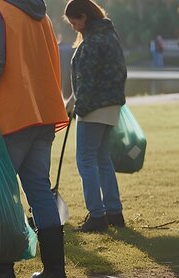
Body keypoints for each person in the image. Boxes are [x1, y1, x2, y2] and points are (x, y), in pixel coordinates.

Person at [0, 0, 69, 278]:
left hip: (14, 114)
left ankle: (2, 269)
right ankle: (55, 271)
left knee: (1, 191)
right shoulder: (42, 15)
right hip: (44, 112)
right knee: (40, 190)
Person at [64, 0, 126, 233]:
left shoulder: (92, 41)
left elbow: (86, 81)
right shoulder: (109, 34)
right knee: (102, 158)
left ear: (85, 17)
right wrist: (72, 101)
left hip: (93, 107)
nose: (73, 26)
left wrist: (78, 108)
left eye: (74, 21)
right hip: (110, 106)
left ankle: (97, 216)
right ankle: (114, 212)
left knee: (85, 159)